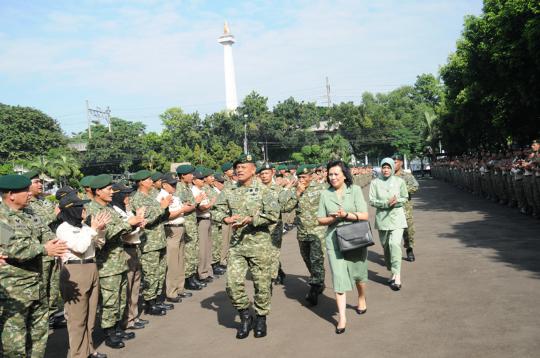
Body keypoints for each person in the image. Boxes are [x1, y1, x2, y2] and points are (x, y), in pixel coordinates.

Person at [212, 154, 280, 339]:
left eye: (243, 167)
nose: (239, 170)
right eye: (237, 167)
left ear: (253, 170)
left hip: (260, 244)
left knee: (262, 284)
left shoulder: (265, 190)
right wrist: (226, 218)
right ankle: (245, 316)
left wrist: (252, 220)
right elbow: (216, 211)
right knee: (232, 284)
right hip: (237, 245)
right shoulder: (229, 191)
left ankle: (260, 318)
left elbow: (274, 214)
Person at [0, 174, 68, 358]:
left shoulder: (29, 212)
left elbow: (46, 233)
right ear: (11, 195)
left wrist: (55, 244)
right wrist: (44, 250)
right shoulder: (1, 218)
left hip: (37, 284)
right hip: (16, 289)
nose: (29, 193)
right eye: (25, 191)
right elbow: (12, 248)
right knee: (14, 341)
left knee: (39, 333)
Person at [85, 174, 144, 348]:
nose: (112, 192)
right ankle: (108, 333)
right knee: (109, 300)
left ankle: (116, 328)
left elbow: (121, 229)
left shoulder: (109, 208)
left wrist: (134, 224)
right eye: (108, 189)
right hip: (106, 263)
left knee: (118, 297)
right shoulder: (92, 210)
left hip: (118, 260)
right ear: (98, 191)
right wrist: (129, 224)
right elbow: (105, 235)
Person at [317, 160, 369, 334]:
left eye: (336, 174)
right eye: (330, 174)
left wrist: (346, 215)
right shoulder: (325, 194)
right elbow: (320, 219)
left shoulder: (354, 190)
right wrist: (333, 219)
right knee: (338, 277)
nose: (332, 178)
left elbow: (364, 215)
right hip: (334, 240)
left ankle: (361, 298)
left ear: (344, 175)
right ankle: (342, 317)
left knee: (358, 274)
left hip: (354, 236)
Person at [56, 194, 110, 358]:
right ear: (71, 210)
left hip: (90, 266)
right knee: (77, 319)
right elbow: (79, 247)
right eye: (80, 207)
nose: (84, 210)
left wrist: (100, 230)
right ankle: (78, 354)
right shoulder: (63, 229)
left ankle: (89, 349)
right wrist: (93, 230)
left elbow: (99, 244)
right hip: (75, 270)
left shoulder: (83, 227)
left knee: (90, 315)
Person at [23, 170, 65, 328]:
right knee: (43, 286)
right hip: (40, 254)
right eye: (36, 182)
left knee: (53, 286)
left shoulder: (44, 201)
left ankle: (52, 315)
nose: (40, 185)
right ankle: (43, 318)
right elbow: (37, 226)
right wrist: (54, 216)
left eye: (41, 182)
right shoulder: (25, 208)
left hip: (53, 249)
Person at [130, 170, 174, 314]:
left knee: (160, 271)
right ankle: (150, 303)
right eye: (148, 179)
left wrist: (165, 207)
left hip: (159, 239)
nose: (151, 182)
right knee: (151, 273)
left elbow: (159, 216)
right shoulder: (138, 199)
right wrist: (161, 207)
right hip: (149, 242)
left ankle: (157, 300)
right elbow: (146, 220)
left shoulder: (150, 196)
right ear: (141, 182)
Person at [110, 183, 149, 330]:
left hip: (134, 248)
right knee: (126, 287)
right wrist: (135, 222)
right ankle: (126, 320)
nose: (128, 197)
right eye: (125, 194)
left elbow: (134, 226)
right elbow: (123, 232)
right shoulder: (115, 211)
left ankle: (133, 317)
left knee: (135, 286)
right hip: (125, 249)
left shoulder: (125, 210)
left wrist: (139, 223)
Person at [369, 158, 408, 291]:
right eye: (383, 167)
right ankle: (392, 270)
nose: (386, 170)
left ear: (392, 168)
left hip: (397, 218)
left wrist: (396, 202)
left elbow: (405, 197)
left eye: (388, 167)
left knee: (394, 244)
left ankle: (397, 276)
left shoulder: (400, 181)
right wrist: (385, 203)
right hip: (382, 220)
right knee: (386, 247)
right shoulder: (375, 183)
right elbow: (372, 200)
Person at [292, 164, 327, 305]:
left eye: (304, 177)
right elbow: (286, 206)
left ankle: (315, 287)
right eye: (299, 177)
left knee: (316, 259)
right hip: (302, 232)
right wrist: (297, 193)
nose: (301, 180)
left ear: (311, 176)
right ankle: (318, 279)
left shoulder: (321, 189)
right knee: (307, 259)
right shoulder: (295, 190)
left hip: (317, 231)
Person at [156, 173, 192, 302]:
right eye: (172, 184)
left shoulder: (173, 196)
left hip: (180, 227)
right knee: (172, 262)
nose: (174, 186)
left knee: (180, 260)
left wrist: (184, 208)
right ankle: (171, 292)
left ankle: (179, 288)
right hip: (171, 229)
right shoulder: (161, 197)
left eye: (175, 184)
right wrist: (183, 209)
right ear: (164, 184)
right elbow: (167, 216)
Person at [175, 164, 206, 290]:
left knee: (193, 250)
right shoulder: (180, 188)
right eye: (190, 174)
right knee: (188, 252)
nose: (192, 176)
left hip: (191, 222)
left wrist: (192, 204)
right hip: (186, 223)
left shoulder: (187, 187)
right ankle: (188, 279)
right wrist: (196, 202)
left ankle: (192, 276)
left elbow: (190, 205)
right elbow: (184, 207)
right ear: (183, 176)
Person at [392, 154, 420, 262]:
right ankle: (394, 253)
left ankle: (409, 249)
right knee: (393, 232)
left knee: (408, 231)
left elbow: (415, 186)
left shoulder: (407, 176)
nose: (393, 164)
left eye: (395, 162)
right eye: (392, 162)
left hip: (405, 209)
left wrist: (403, 190)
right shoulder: (388, 177)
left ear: (401, 163)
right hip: (392, 209)